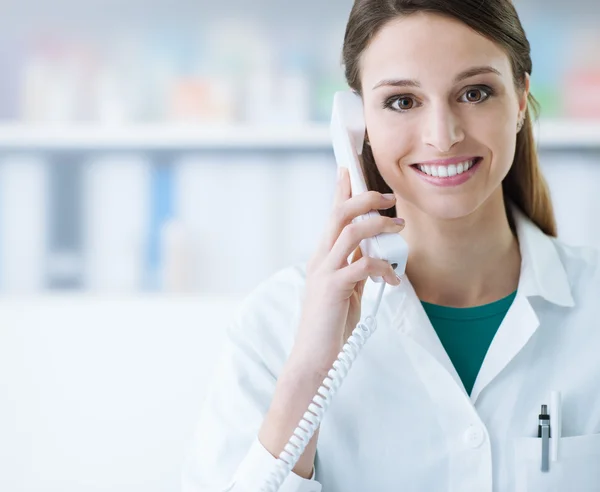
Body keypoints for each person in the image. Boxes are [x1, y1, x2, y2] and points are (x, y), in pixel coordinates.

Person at [182, 1, 600, 490]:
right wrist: (309, 374)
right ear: (356, 122)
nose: (443, 136)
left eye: (475, 92)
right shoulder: (274, 325)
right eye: (403, 101)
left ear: (521, 98)